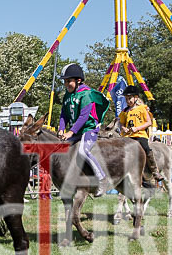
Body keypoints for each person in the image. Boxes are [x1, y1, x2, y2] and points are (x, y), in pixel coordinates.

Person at [57, 63, 110, 197]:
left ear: (78, 80)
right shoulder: (67, 96)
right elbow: (63, 114)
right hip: (76, 131)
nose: (66, 84)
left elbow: (83, 116)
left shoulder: (86, 94)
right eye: (65, 81)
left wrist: (71, 132)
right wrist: (62, 128)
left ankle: (102, 179)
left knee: (82, 150)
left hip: (88, 130)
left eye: (69, 81)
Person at [119, 85, 165, 187]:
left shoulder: (142, 109)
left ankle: (155, 171)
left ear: (136, 98)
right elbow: (121, 123)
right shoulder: (124, 112)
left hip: (140, 135)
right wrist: (123, 128)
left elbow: (149, 122)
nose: (128, 101)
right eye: (126, 99)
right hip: (127, 136)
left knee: (146, 148)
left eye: (130, 98)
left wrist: (137, 128)